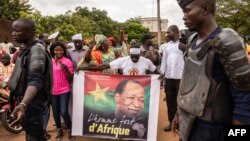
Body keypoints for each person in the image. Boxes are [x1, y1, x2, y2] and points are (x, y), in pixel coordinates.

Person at [173, 1, 250, 141]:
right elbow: (188, 84)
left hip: (213, 130)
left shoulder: (226, 41)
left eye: (187, 11)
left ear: (206, 9)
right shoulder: (192, 40)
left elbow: (244, 96)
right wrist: (179, 114)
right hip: (189, 125)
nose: (183, 17)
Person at [8, 18, 52, 141]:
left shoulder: (37, 50)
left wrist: (23, 104)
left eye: (17, 31)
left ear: (29, 32)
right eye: (13, 30)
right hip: (27, 101)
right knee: (32, 133)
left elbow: (35, 80)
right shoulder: (25, 48)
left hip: (32, 102)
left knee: (34, 135)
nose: (13, 34)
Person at [160, 25, 186, 132]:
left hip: (180, 78)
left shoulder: (183, 45)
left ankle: (181, 124)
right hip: (169, 78)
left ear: (175, 32)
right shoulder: (166, 46)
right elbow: (164, 61)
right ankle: (171, 123)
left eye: (168, 32)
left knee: (181, 102)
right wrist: (162, 73)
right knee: (170, 102)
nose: (167, 35)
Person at [77, 44, 161, 75]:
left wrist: (161, 74)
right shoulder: (123, 60)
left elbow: (156, 71)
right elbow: (104, 66)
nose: (134, 58)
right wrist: (83, 67)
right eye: (132, 56)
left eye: (136, 56)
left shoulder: (146, 62)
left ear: (139, 54)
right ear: (129, 54)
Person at [49, 41, 75, 140]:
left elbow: (71, 78)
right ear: (53, 51)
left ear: (64, 51)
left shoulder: (67, 61)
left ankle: (69, 129)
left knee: (64, 111)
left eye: (61, 50)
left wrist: (66, 69)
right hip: (53, 91)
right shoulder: (50, 61)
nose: (58, 52)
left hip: (65, 90)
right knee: (55, 111)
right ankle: (59, 130)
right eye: (56, 50)